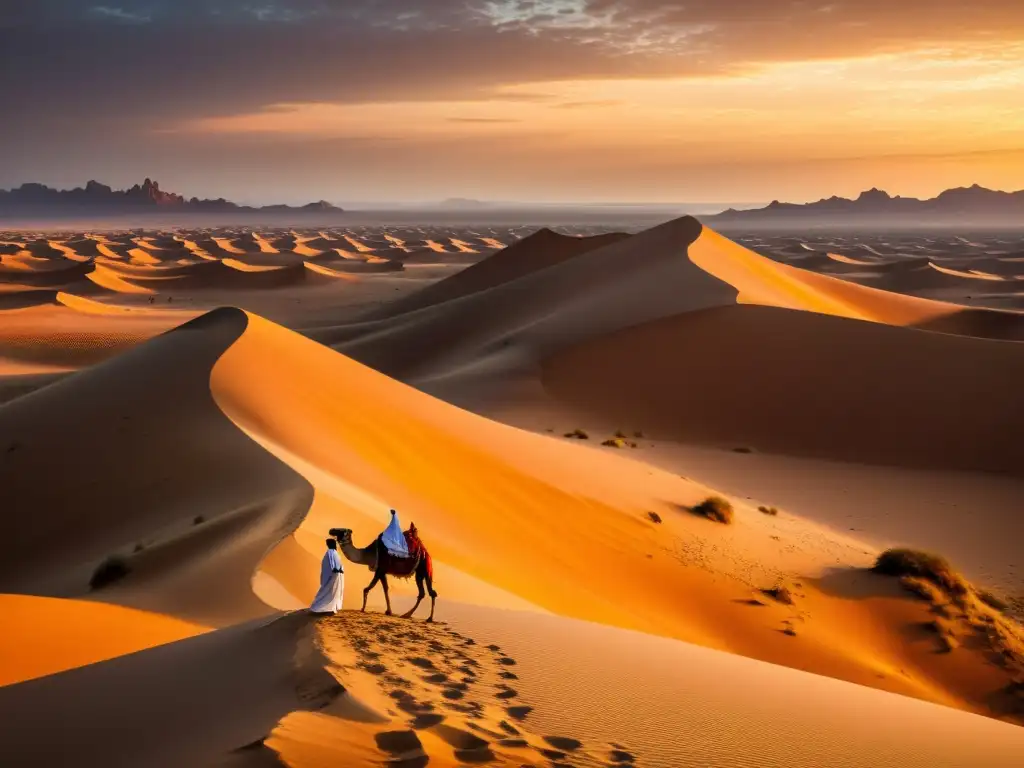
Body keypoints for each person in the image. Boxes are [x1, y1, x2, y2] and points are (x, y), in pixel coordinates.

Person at [310, 538, 344, 614]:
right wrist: (334, 569)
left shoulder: (334, 552)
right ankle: (319, 608)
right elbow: (331, 564)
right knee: (327, 591)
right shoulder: (331, 552)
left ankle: (330, 608)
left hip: (335, 576)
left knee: (333, 591)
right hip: (332, 576)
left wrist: (339, 569)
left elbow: (339, 563)